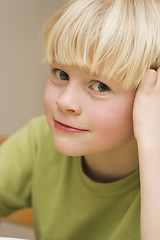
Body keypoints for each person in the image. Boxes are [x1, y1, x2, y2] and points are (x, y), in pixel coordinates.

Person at [0, 0, 160, 239]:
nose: (65, 102)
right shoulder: (39, 140)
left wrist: (151, 146)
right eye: (61, 74)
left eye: (100, 86)